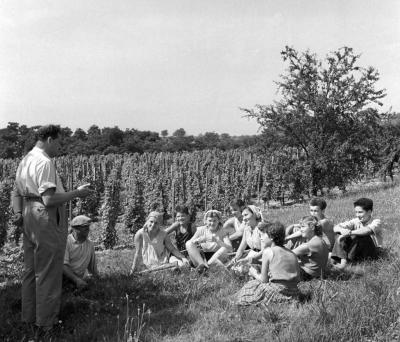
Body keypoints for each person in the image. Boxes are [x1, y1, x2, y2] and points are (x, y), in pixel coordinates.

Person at [11, 124, 93, 337]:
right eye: (59, 142)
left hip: (29, 214)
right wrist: (77, 193)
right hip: (44, 216)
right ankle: (46, 325)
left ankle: (29, 318)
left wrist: (19, 213)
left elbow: (17, 192)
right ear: (49, 139)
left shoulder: (25, 159)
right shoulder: (44, 162)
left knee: (31, 270)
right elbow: (49, 199)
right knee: (48, 270)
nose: (59, 146)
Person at [233, 221, 300, 306]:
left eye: (263, 234)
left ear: (271, 237)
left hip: (277, 290)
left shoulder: (268, 251)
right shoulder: (291, 253)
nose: (261, 237)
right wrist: (250, 260)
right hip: (295, 292)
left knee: (251, 285)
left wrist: (253, 272)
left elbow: (263, 280)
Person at [331, 198, 382, 269]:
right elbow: (335, 227)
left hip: (372, 252)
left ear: (369, 212)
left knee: (361, 236)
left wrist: (349, 233)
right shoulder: (356, 221)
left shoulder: (376, 221)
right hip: (359, 251)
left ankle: (347, 262)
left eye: (360, 212)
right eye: (356, 212)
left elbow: (367, 231)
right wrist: (342, 230)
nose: (357, 215)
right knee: (339, 234)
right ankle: (336, 260)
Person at [63, 215, 98, 289]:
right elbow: (63, 266)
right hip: (65, 280)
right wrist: (76, 280)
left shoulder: (90, 244)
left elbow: (93, 269)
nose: (88, 229)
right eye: (84, 226)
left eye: (88, 226)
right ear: (75, 228)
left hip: (81, 281)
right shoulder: (66, 242)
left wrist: (97, 280)